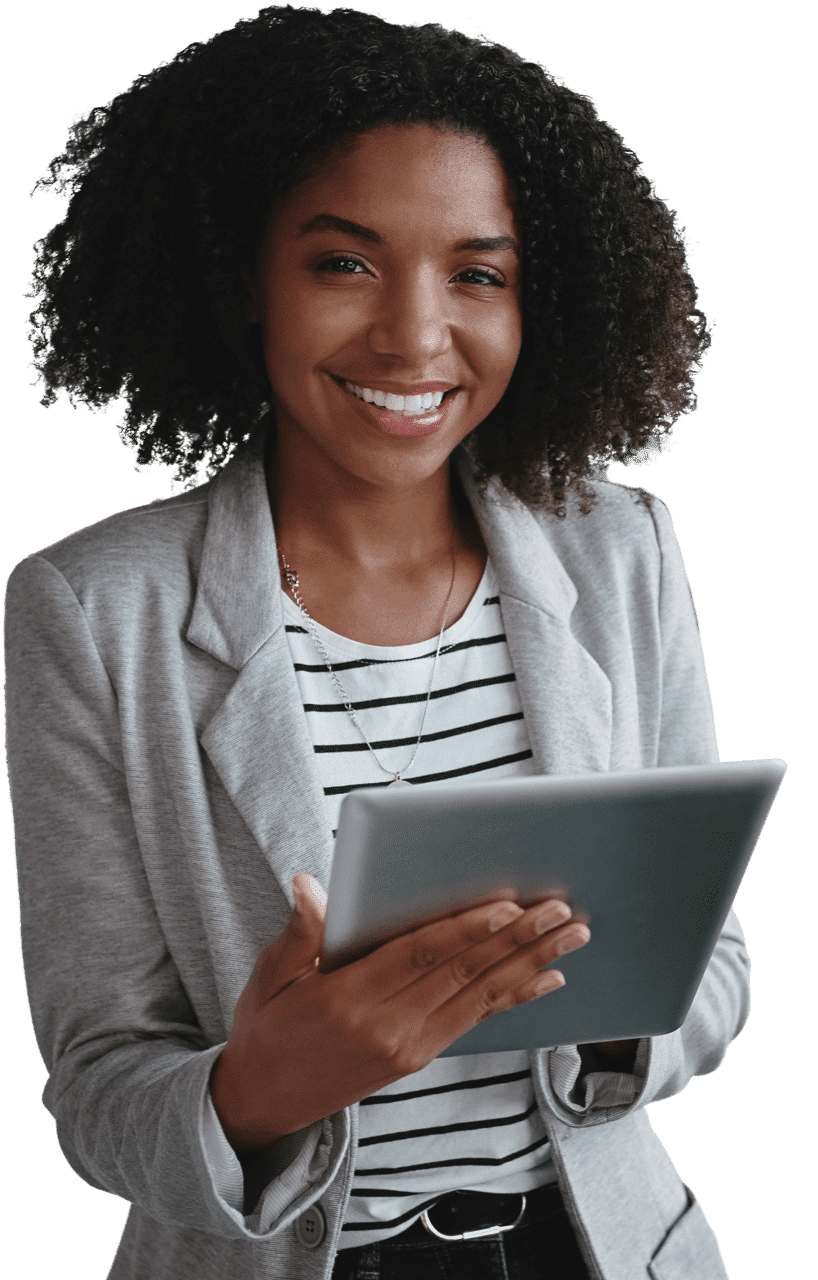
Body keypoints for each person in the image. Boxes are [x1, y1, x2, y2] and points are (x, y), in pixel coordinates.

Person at [4, 6, 748, 1278]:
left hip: (596, 1248)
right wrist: (261, 1086)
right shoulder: (91, 612)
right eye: (343, 263)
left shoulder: (622, 551)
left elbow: (716, 959)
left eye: (477, 272)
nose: (413, 336)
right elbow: (97, 1089)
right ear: (244, 274)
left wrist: (605, 1021)